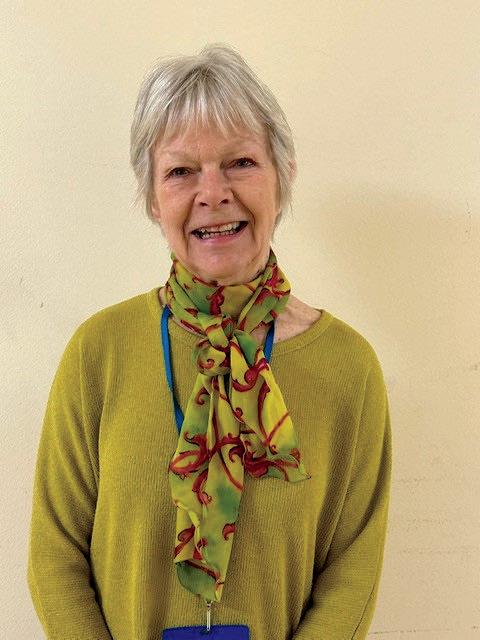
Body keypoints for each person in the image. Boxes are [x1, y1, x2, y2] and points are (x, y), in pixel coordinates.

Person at [27, 43, 392, 640]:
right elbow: (55, 553)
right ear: (152, 197)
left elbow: (353, 569)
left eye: (240, 162)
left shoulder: (347, 367)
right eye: (181, 171)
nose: (213, 192)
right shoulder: (98, 352)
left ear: (283, 176)